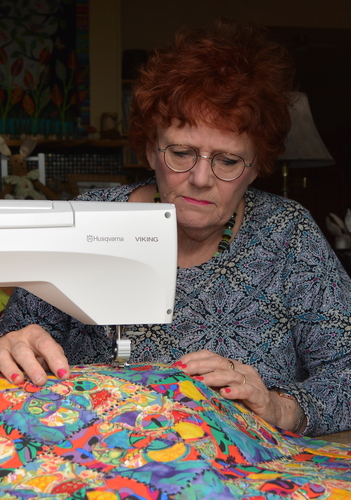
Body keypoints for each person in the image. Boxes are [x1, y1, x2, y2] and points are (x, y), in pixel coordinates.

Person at [0, 18, 351, 439]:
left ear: (256, 168)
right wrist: (11, 351)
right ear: (150, 149)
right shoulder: (86, 219)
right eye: (181, 152)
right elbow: (13, 351)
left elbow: (346, 373)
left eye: (227, 160)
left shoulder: (288, 235)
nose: (201, 178)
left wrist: (280, 407)